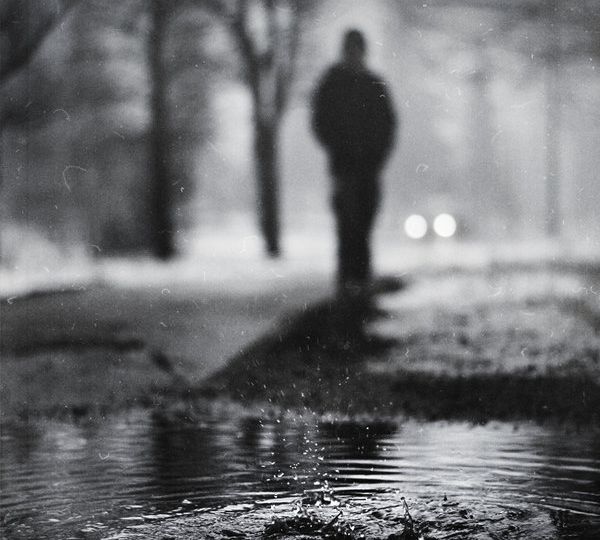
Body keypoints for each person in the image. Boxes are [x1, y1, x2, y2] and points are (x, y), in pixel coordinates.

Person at [312, 29, 397, 298]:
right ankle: (350, 280)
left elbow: (388, 126)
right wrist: (338, 148)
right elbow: (320, 122)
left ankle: (358, 280)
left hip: (368, 169)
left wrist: (376, 157)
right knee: (349, 223)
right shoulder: (333, 84)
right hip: (346, 167)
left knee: (363, 221)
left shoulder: (374, 86)